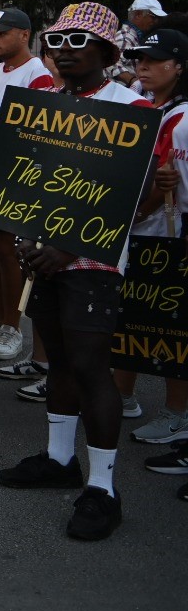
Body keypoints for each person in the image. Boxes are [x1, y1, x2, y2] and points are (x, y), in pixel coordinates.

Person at [0, 2, 152, 540]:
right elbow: (25, 179)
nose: (65, 51)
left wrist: (68, 246)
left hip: (94, 261)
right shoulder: (41, 105)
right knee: (58, 360)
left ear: (109, 51)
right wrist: (22, 231)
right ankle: (60, 459)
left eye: (79, 42)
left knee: (90, 368)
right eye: (58, 42)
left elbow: (137, 193)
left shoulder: (131, 107)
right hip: (44, 256)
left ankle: (103, 487)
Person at [0, 8, 55, 363]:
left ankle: (13, 328)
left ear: (24, 34)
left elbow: (42, 130)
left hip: (18, 172)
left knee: (7, 249)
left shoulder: (38, 73)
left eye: (2, 33)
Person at [118, 29, 188, 446]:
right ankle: (121, 396)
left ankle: (177, 413)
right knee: (129, 318)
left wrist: (143, 207)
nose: (141, 65)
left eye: (153, 58)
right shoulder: (148, 108)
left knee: (168, 329)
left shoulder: (180, 119)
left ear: (178, 67)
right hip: (138, 232)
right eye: (139, 58)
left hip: (165, 237)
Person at [110, 0, 166, 86]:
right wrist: (133, 81)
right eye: (154, 17)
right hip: (122, 94)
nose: (156, 21)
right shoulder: (126, 36)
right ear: (138, 15)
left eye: (159, 19)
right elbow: (113, 63)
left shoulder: (135, 36)